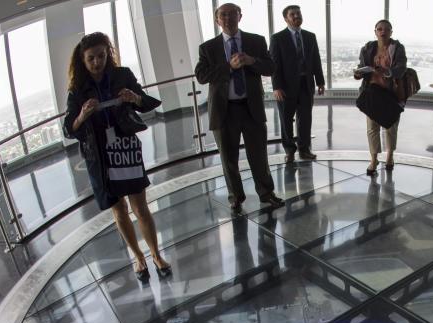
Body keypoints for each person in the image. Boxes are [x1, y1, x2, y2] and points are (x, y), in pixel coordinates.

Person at [63, 32, 171, 283]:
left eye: (101, 56)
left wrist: (134, 98)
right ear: (82, 59)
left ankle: (155, 254)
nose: (97, 62)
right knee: (119, 210)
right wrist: (82, 115)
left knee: (139, 206)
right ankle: (138, 257)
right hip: (100, 157)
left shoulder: (123, 75)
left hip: (125, 149)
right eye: (91, 58)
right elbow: (70, 128)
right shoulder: (77, 90)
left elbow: (146, 102)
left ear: (107, 54)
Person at [195, 3, 284, 212]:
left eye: (232, 14)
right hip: (224, 111)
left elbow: (271, 68)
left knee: (259, 155)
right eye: (223, 15)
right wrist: (228, 66)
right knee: (228, 158)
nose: (228, 18)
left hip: (251, 107)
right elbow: (201, 76)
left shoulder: (256, 41)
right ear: (217, 20)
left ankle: (266, 193)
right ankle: (236, 197)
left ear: (240, 17)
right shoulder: (208, 47)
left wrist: (252, 60)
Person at [270, 4, 325, 163]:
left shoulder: (310, 36)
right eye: (292, 14)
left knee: (305, 119)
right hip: (285, 87)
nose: (296, 16)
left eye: (298, 13)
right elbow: (275, 64)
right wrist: (277, 87)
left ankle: (304, 149)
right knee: (286, 119)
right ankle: (289, 150)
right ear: (286, 18)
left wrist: (320, 81)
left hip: (306, 84)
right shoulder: (277, 38)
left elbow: (315, 60)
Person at [354, 19, 407, 177]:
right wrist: (358, 73)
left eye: (386, 29)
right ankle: (374, 159)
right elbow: (362, 68)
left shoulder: (397, 48)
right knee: (372, 128)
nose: (382, 32)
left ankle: (390, 156)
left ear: (391, 32)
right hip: (372, 92)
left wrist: (387, 72)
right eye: (379, 29)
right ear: (375, 31)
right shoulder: (368, 48)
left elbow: (401, 68)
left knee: (390, 127)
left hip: (391, 94)